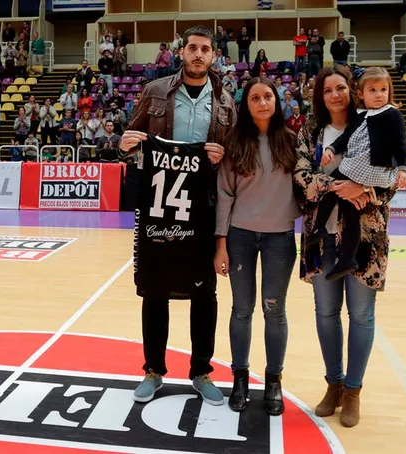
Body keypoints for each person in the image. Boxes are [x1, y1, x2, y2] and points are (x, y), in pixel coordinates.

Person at [119, 25, 236, 405]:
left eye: (205, 49)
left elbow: (235, 157)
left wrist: (223, 156)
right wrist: (123, 145)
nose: (198, 54)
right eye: (192, 48)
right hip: (158, 205)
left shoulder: (225, 102)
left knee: (204, 293)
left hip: (203, 206)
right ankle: (153, 370)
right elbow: (130, 139)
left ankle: (201, 371)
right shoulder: (155, 91)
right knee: (155, 290)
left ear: (213, 55)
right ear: (181, 52)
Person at [293, 65, 398, 428]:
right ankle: (334, 384)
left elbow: (394, 177)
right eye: (327, 90)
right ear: (319, 97)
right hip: (321, 237)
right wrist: (338, 187)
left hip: (366, 236)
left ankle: (353, 390)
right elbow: (300, 176)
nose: (334, 95)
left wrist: (364, 188)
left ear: (352, 91)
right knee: (325, 312)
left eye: (340, 88)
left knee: (362, 314)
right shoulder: (311, 130)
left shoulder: (376, 121)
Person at [214, 77, 300, 415]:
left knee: (274, 310)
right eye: (255, 98)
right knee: (241, 309)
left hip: (280, 237)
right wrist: (221, 244)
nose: (262, 103)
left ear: (276, 102)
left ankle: (274, 381)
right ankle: (240, 377)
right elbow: (224, 195)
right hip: (240, 237)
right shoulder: (235, 143)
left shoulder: (292, 141)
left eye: (267, 96)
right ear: (246, 104)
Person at [307, 67, 406, 280]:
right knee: (345, 206)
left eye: (383, 90)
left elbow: (401, 146)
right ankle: (335, 246)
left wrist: (402, 169)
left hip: (371, 173)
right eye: (373, 90)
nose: (379, 94)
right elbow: (345, 138)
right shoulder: (355, 117)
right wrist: (331, 149)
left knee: (338, 197)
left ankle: (326, 237)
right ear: (361, 93)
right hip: (355, 167)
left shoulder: (392, 115)